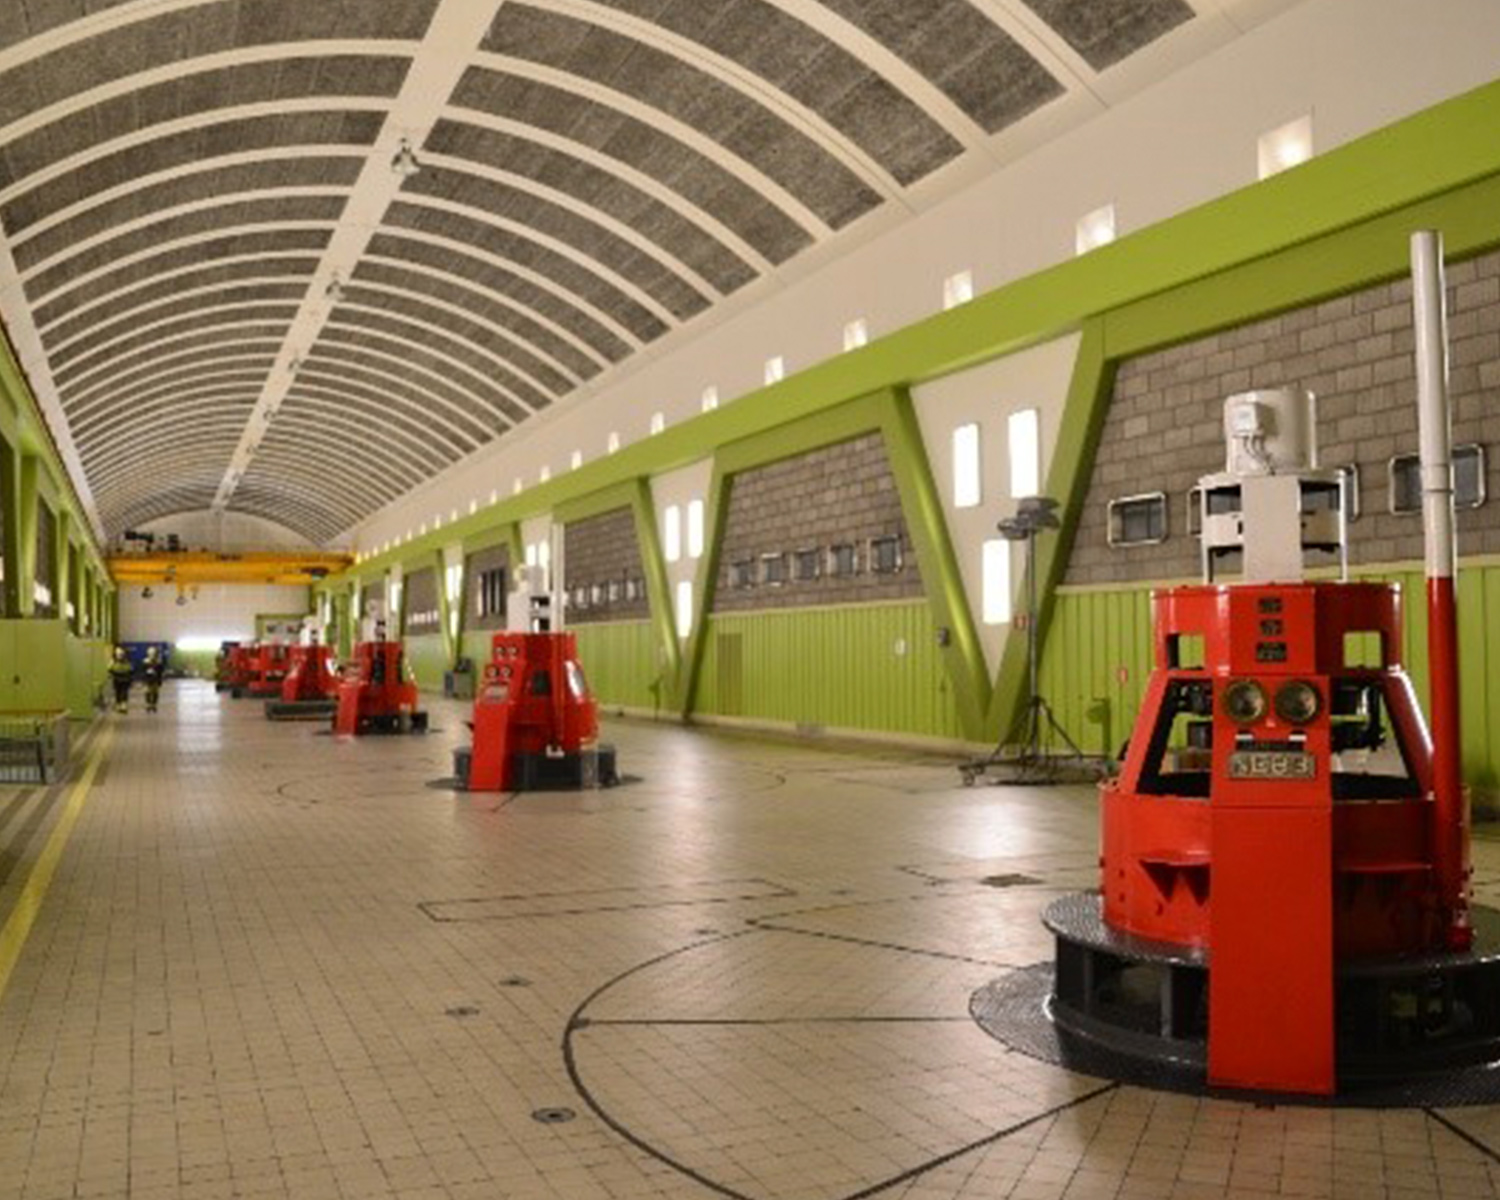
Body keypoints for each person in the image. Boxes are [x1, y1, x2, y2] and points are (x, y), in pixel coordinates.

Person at [108, 647, 133, 714]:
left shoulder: (127, 661)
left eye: (121, 654)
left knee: (124, 692)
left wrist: (130, 678)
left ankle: (123, 705)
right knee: (118, 692)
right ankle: (118, 704)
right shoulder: (113, 661)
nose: (120, 656)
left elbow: (130, 670)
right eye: (118, 654)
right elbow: (109, 669)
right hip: (117, 679)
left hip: (125, 679)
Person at [142, 647, 165, 714]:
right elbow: (142, 671)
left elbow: (161, 672)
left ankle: (154, 705)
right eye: (150, 652)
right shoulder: (145, 661)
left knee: (155, 692)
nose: (151, 654)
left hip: (156, 679)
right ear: (148, 653)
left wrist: (160, 680)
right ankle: (148, 704)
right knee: (147, 691)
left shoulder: (158, 662)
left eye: (153, 652)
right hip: (147, 680)